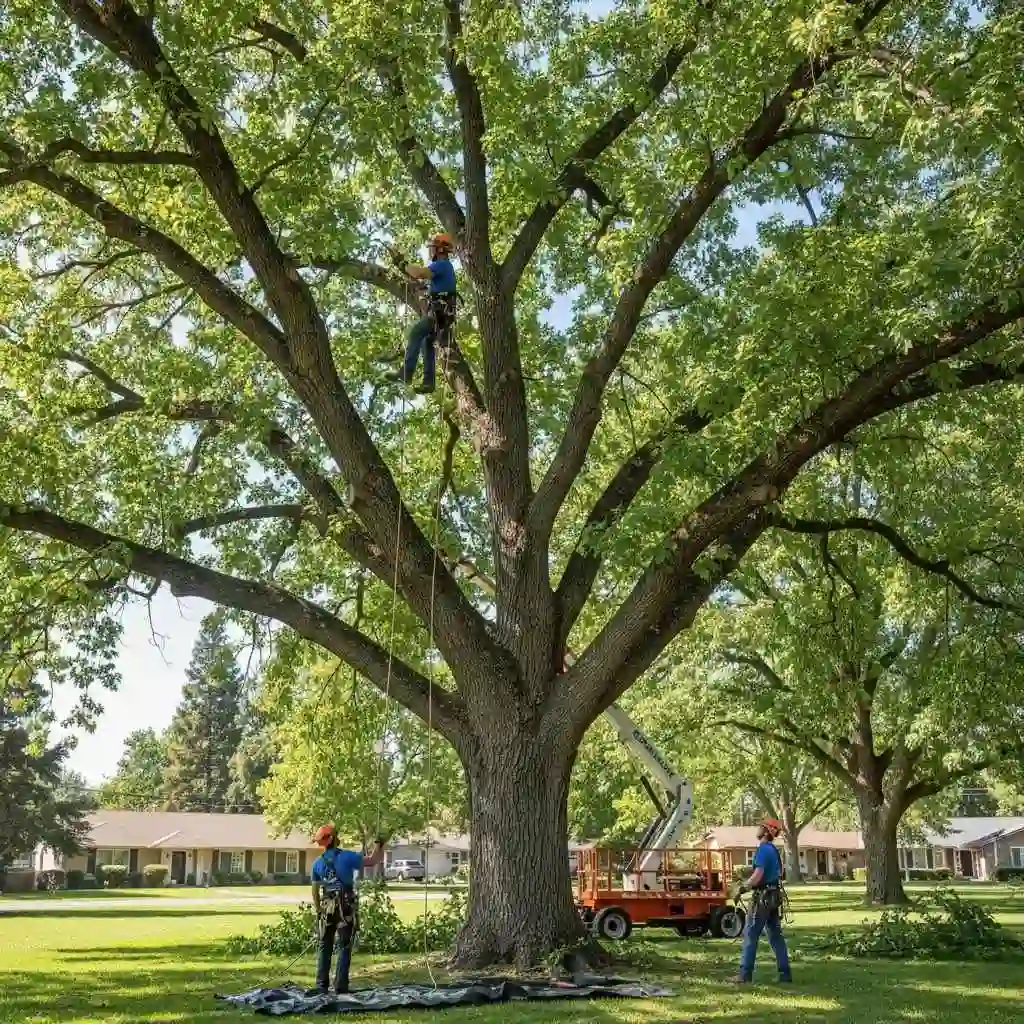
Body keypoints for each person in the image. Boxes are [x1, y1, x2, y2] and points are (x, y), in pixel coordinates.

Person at [310, 824, 386, 995]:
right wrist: (379, 845)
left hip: (327, 909)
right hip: (345, 908)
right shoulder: (347, 857)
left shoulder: (317, 864)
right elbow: (373, 860)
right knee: (344, 946)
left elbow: (315, 891)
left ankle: (321, 986)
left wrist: (319, 911)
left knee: (325, 945)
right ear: (334, 838)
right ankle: (340, 986)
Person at [383, 232, 457, 394]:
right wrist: (402, 266)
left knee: (416, 332)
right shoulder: (442, 269)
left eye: (432, 248)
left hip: (440, 313)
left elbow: (419, 273)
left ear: (439, 250)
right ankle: (428, 382)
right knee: (426, 343)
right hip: (444, 315)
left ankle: (406, 373)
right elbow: (417, 277)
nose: (430, 252)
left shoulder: (442, 265)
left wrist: (401, 262)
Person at [733, 817, 791, 984]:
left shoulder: (764, 849)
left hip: (762, 898)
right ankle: (785, 974)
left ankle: (744, 975)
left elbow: (758, 876)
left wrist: (743, 888)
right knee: (775, 936)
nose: (758, 828)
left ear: (766, 831)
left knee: (751, 934)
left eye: (761, 826)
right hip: (772, 897)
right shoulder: (772, 850)